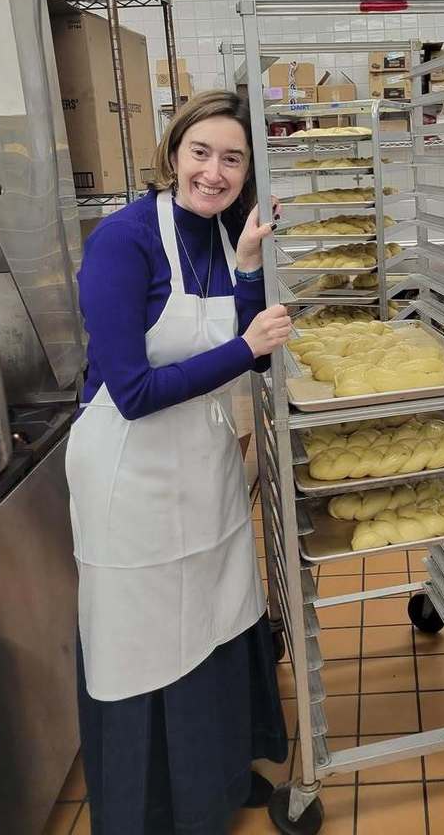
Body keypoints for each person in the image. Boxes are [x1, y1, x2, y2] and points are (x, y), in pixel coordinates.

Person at [66, 90, 292, 834]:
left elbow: (249, 347)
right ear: (173, 152)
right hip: (131, 471)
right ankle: (155, 810)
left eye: (232, 158)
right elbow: (130, 391)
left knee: (217, 619)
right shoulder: (121, 240)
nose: (214, 171)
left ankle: (217, 782)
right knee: (146, 637)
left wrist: (252, 264)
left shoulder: (224, 234)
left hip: (203, 459)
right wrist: (245, 348)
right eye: (201, 152)